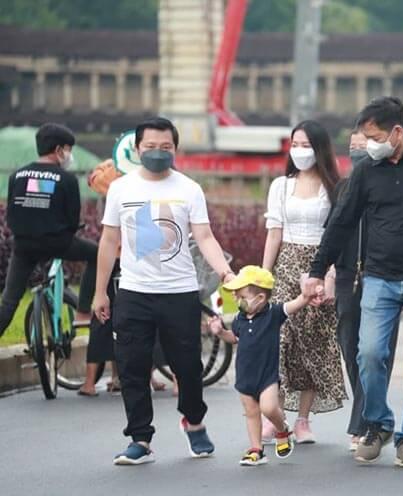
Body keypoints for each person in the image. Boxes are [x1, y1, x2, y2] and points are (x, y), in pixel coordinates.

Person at [304, 96, 403, 468]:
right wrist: (317, 270)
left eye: (374, 136)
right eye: (363, 137)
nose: (369, 144)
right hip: (379, 278)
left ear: (397, 131)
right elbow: (342, 222)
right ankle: (378, 423)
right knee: (370, 354)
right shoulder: (367, 171)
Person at [93, 117, 235, 465]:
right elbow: (109, 240)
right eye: (151, 147)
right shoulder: (121, 189)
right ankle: (140, 439)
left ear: (175, 149)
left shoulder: (188, 189)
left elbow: (204, 236)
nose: (158, 153)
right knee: (132, 366)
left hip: (179, 292)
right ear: (138, 149)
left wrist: (225, 271)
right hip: (134, 292)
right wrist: (100, 293)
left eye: (166, 147)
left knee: (187, 366)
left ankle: (194, 421)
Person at [262, 119, 346, 444]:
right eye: (294, 145)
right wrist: (264, 275)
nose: (299, 151)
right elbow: (273, 233)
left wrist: (329, 275)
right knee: (281, 341)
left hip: (319, 267)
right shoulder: (280, 186)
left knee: (313, 342)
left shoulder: (334, 188)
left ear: (320, 148)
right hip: (285, 266)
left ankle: (303, 420)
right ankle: (276, 415)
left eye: (306, 145)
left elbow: (338, 235)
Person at [209, 266, 315, 466]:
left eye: (241, 296)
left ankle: (281, 428)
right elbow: (235, 338)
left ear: (260, 298)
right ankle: (256, 449)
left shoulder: (273, 313)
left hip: (267, 376)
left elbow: (294, 305)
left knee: (268, 408)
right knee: (251, 413)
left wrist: (306, 296)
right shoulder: (240, 318)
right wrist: (221, 332)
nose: (236, 300)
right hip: (245, 376)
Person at [334, 129, 399, 452]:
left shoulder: (389, 185)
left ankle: (364, 422)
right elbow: (332, 231)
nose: (357, 151)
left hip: (383, 276)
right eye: (352, 147)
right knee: (351, 347)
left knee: (375, 351)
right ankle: (369, 412)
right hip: (347, 276)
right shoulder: (342, 188)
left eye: (363, 146)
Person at [0, 123, 97, 337]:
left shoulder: (17, 175)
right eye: (69, 149)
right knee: (96, 254)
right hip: (59, 243)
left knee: (9, 302)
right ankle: (82, 312)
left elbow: (12, 214)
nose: (70, 154)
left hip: (23, 246)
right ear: (59, 150)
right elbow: (72, 221)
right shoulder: (67, 179)